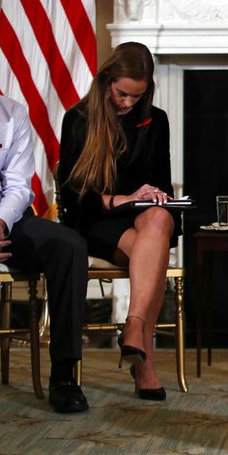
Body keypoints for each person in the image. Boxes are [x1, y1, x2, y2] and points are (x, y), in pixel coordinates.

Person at [59, 42, 181, 401]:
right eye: (122, 94)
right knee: (154, 254)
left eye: (136, 96)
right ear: (107, 80)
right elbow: (72, 200)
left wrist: (155, 196)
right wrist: (122, 199)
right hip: (96, 219)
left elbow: (161, 179)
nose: (127, 103)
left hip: (142, 221)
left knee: (160, 218)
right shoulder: (78, 119)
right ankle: (144, 363)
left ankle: (133, 326)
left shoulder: (155, 120)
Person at [0, 36, 89, 413]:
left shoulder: (12, 113)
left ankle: (64, 376)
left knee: (69, 245)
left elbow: (18, 187)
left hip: (6, 214)